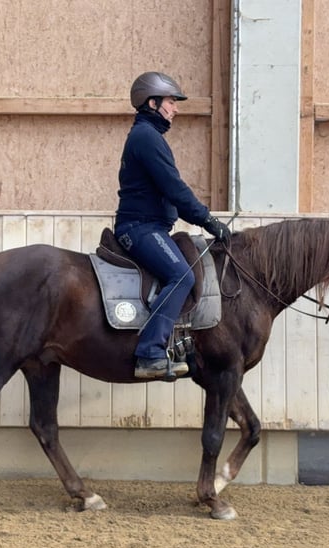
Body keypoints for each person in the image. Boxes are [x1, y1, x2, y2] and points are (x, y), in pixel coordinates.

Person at [115, 71, 231, 380]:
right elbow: (175, 189)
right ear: (152, 103)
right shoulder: (146, 138)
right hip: (139, 229)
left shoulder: (148, 136)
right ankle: (150, 352)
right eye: (170, 102)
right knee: (181, 276)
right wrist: (208, 220)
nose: (175, 109)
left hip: (150, 227)